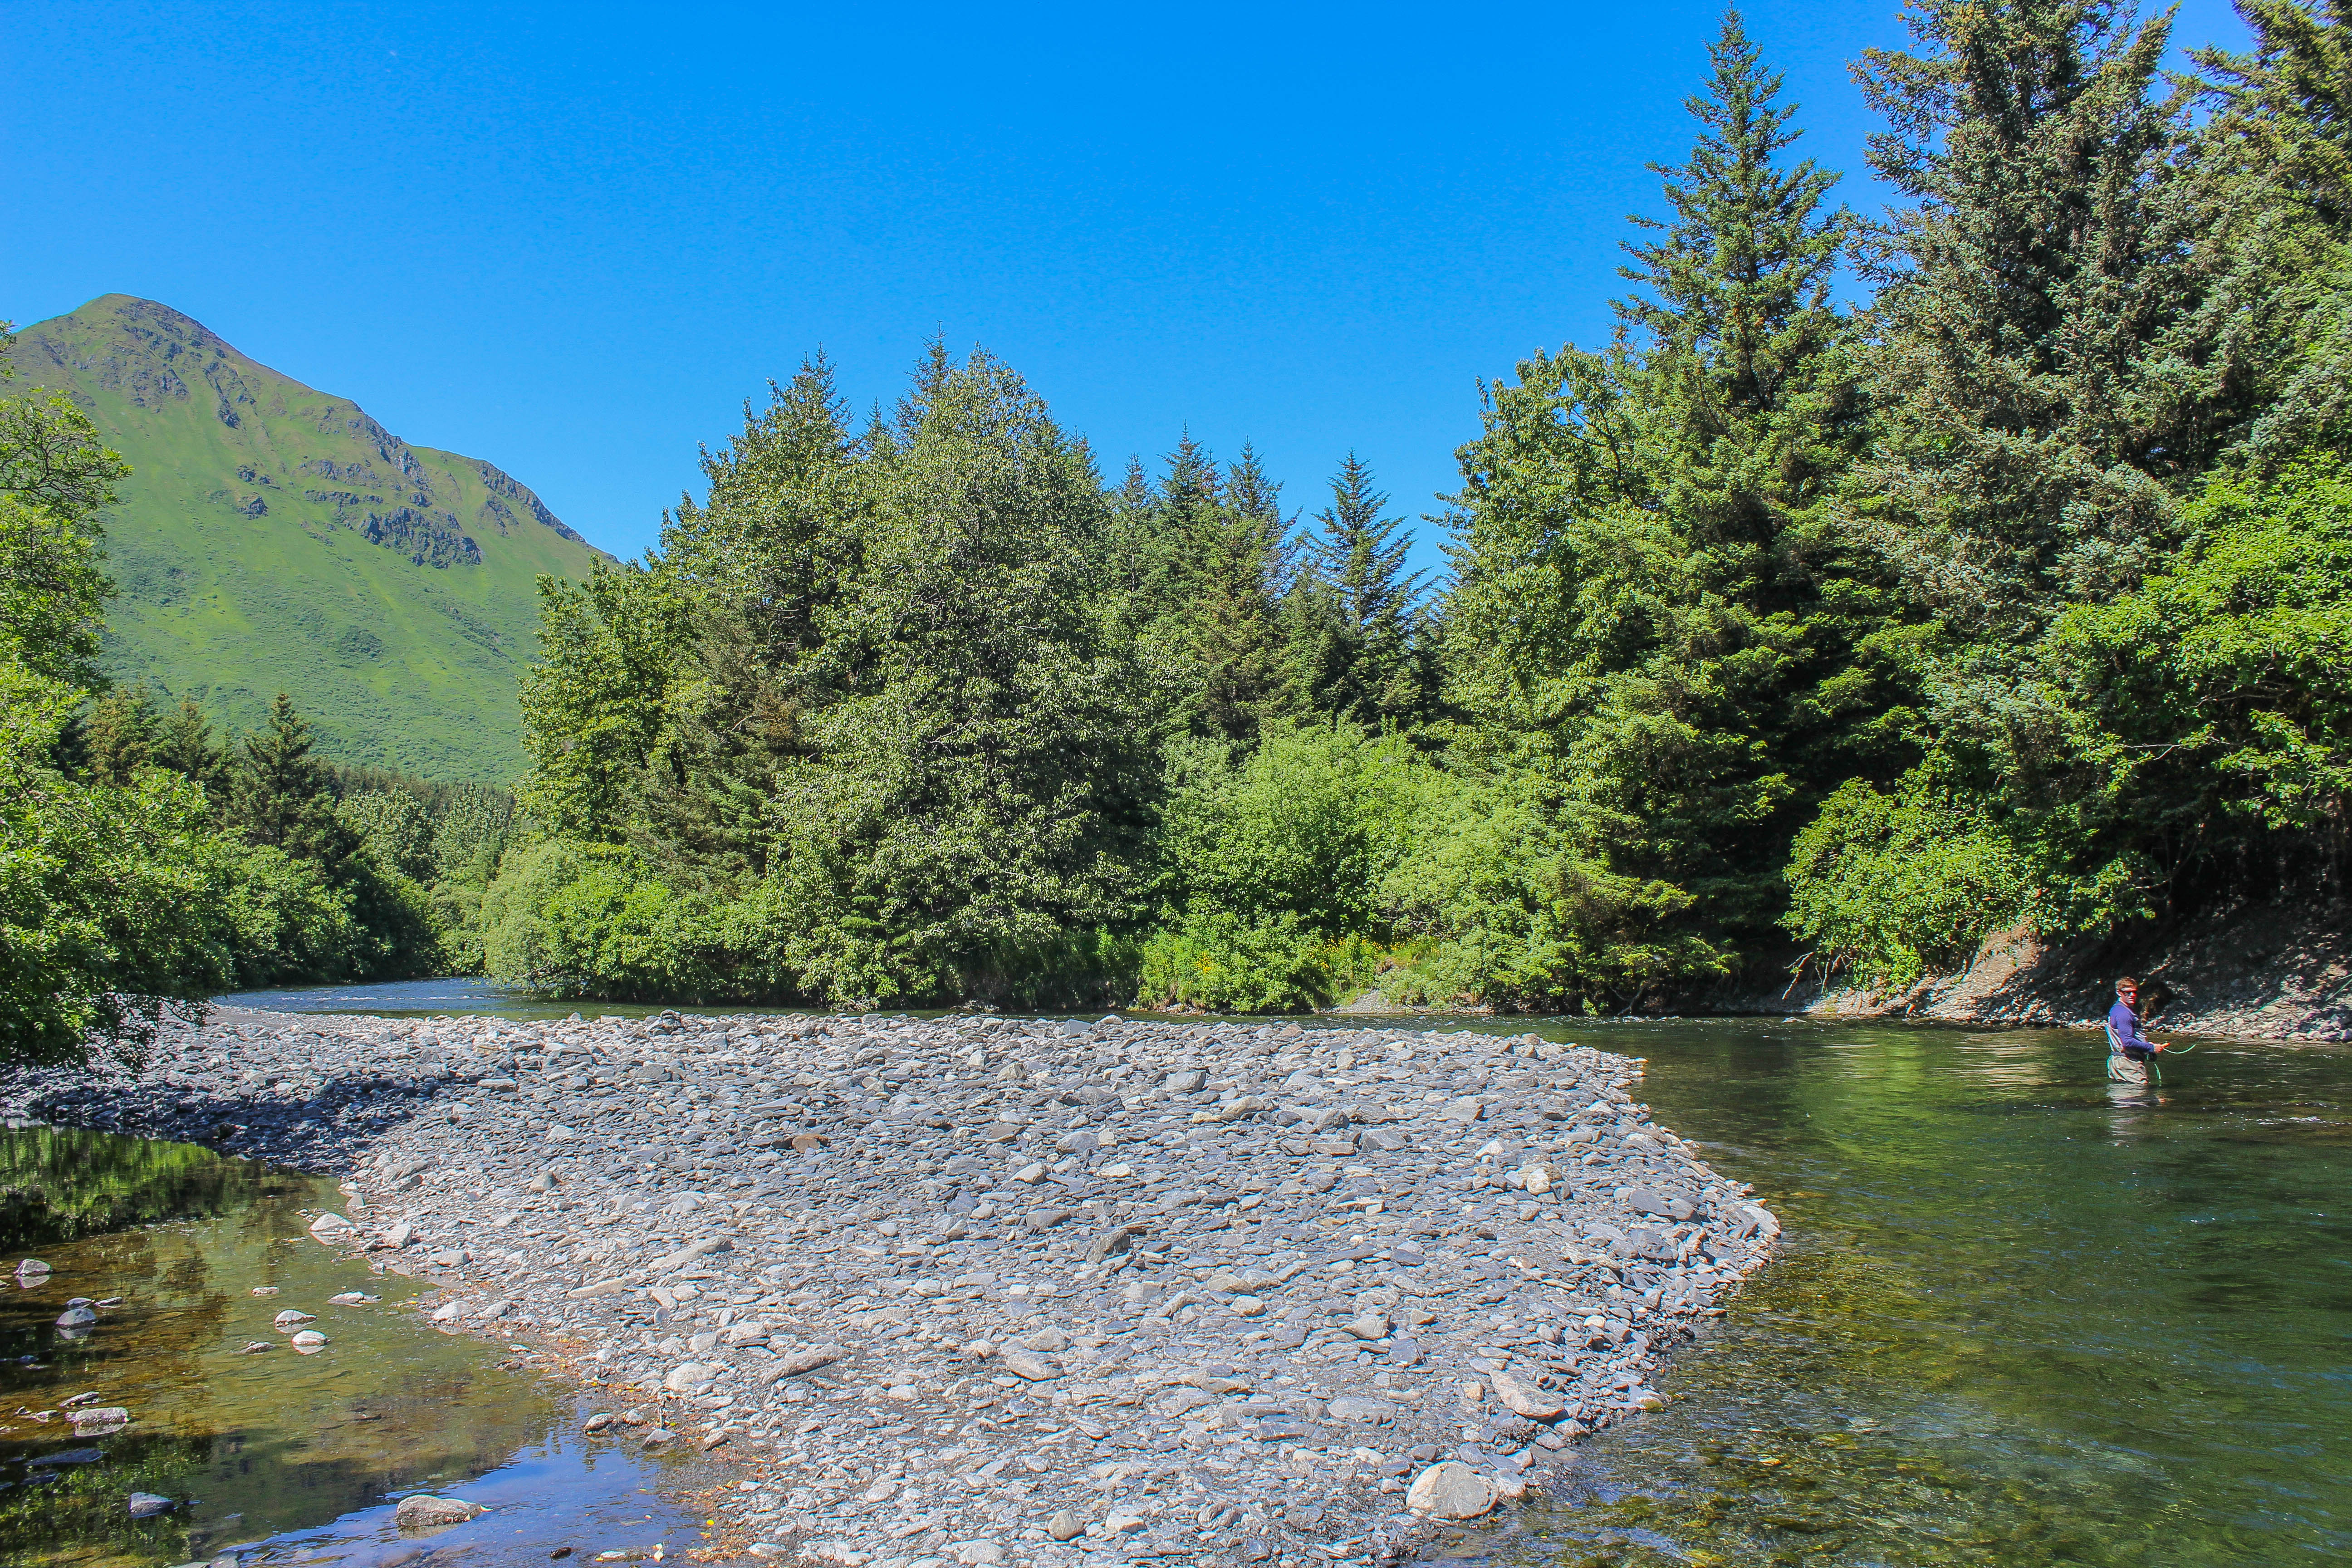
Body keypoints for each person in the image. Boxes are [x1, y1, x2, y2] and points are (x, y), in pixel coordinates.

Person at [2105, 977, 2166, 1085]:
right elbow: (2127, 1042)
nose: (2132, 995)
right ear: (2119, 993)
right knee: (2137, 1096)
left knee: (2123, 1097)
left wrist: (2146, 1045)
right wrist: (2152, 1048)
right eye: (2128, 993)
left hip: (2121, 1062)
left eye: (2134, 992)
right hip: (2128, 1064)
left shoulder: (2118, 1009)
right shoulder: (2123, 1013)